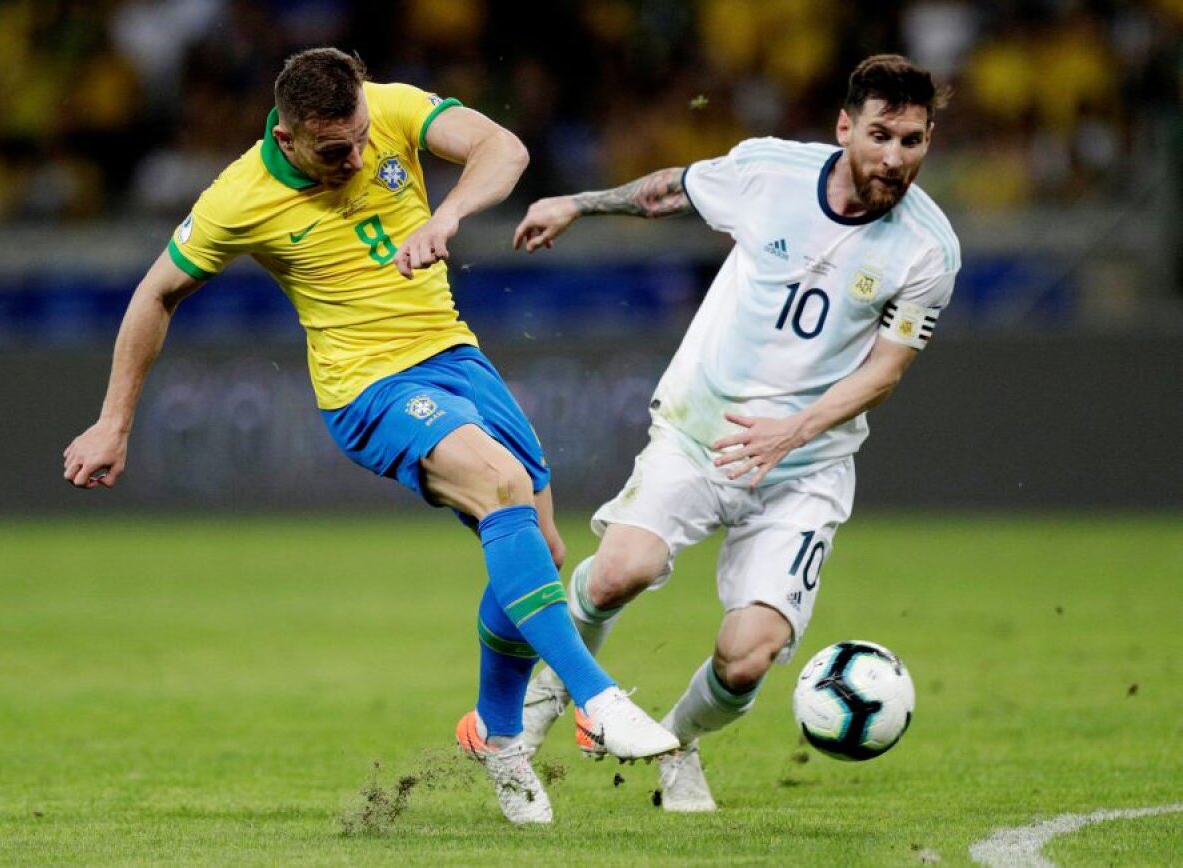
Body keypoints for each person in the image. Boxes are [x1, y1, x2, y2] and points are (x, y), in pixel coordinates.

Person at [61, 47, 678, 826]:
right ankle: (597, 697)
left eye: (358, 138)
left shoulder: (386, 107)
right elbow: (157, 293)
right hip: (368, 388)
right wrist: (115, 421)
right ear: (285, 138)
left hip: (456, 358)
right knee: (502, 488)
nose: (355, 157)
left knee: (542, 555)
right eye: (332, 150)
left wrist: (448, 213)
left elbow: (505, 148)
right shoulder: (238, 197)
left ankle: (494, 731)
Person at [512, 54, 958, 812]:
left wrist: (794, 432)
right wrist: (579, 204)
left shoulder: (929, 250)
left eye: (912, 141)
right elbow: (670, 191)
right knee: (620, 570)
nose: (893, 157)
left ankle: (677, 743)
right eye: (880, 134)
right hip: (700, 430)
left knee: (747, 657)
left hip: (806, 467)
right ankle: (534, 717)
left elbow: (884, 371)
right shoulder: (769, 173)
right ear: (845, 126)